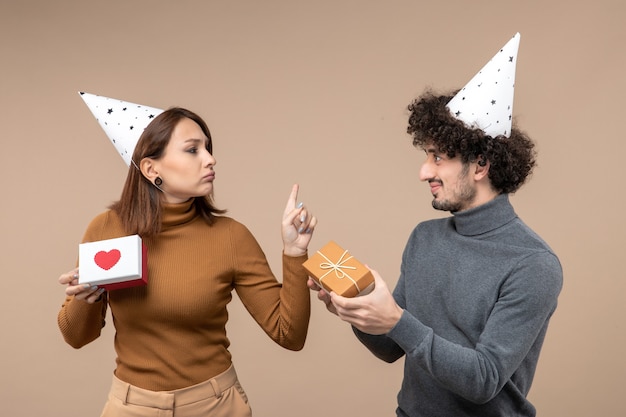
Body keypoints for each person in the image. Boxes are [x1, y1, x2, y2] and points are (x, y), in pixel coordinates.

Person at [309, 34, 562, 417]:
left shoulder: (533, 264)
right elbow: (392, 347)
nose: (424, 171)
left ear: (480, 165)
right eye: (427, 156)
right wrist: (357, 311)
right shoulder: (424, 238)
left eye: (439, 157)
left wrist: (396, 319)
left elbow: (484, 380)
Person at [58, 104, 317, 417]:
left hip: (216, 406)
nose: (210, 159)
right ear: (152, 170)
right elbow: (76, 337)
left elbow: (289, 334)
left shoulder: (231, 237)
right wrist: (85, 298)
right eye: (193, 150)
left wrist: (294, 252)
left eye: (207, 148)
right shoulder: (106, 229)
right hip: (130, 408)